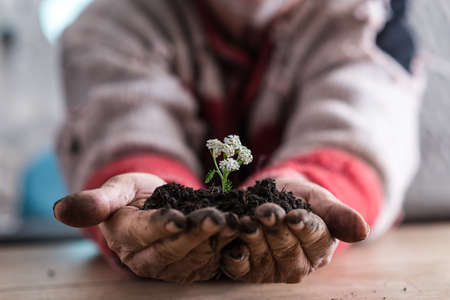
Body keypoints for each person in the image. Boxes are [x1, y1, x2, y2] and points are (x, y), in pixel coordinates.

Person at [53, 0, 424, 283]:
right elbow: (123, 125)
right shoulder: (116, 23)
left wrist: (318, 186)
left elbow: (361, 129)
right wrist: (139, 186)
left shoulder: (367, 21)